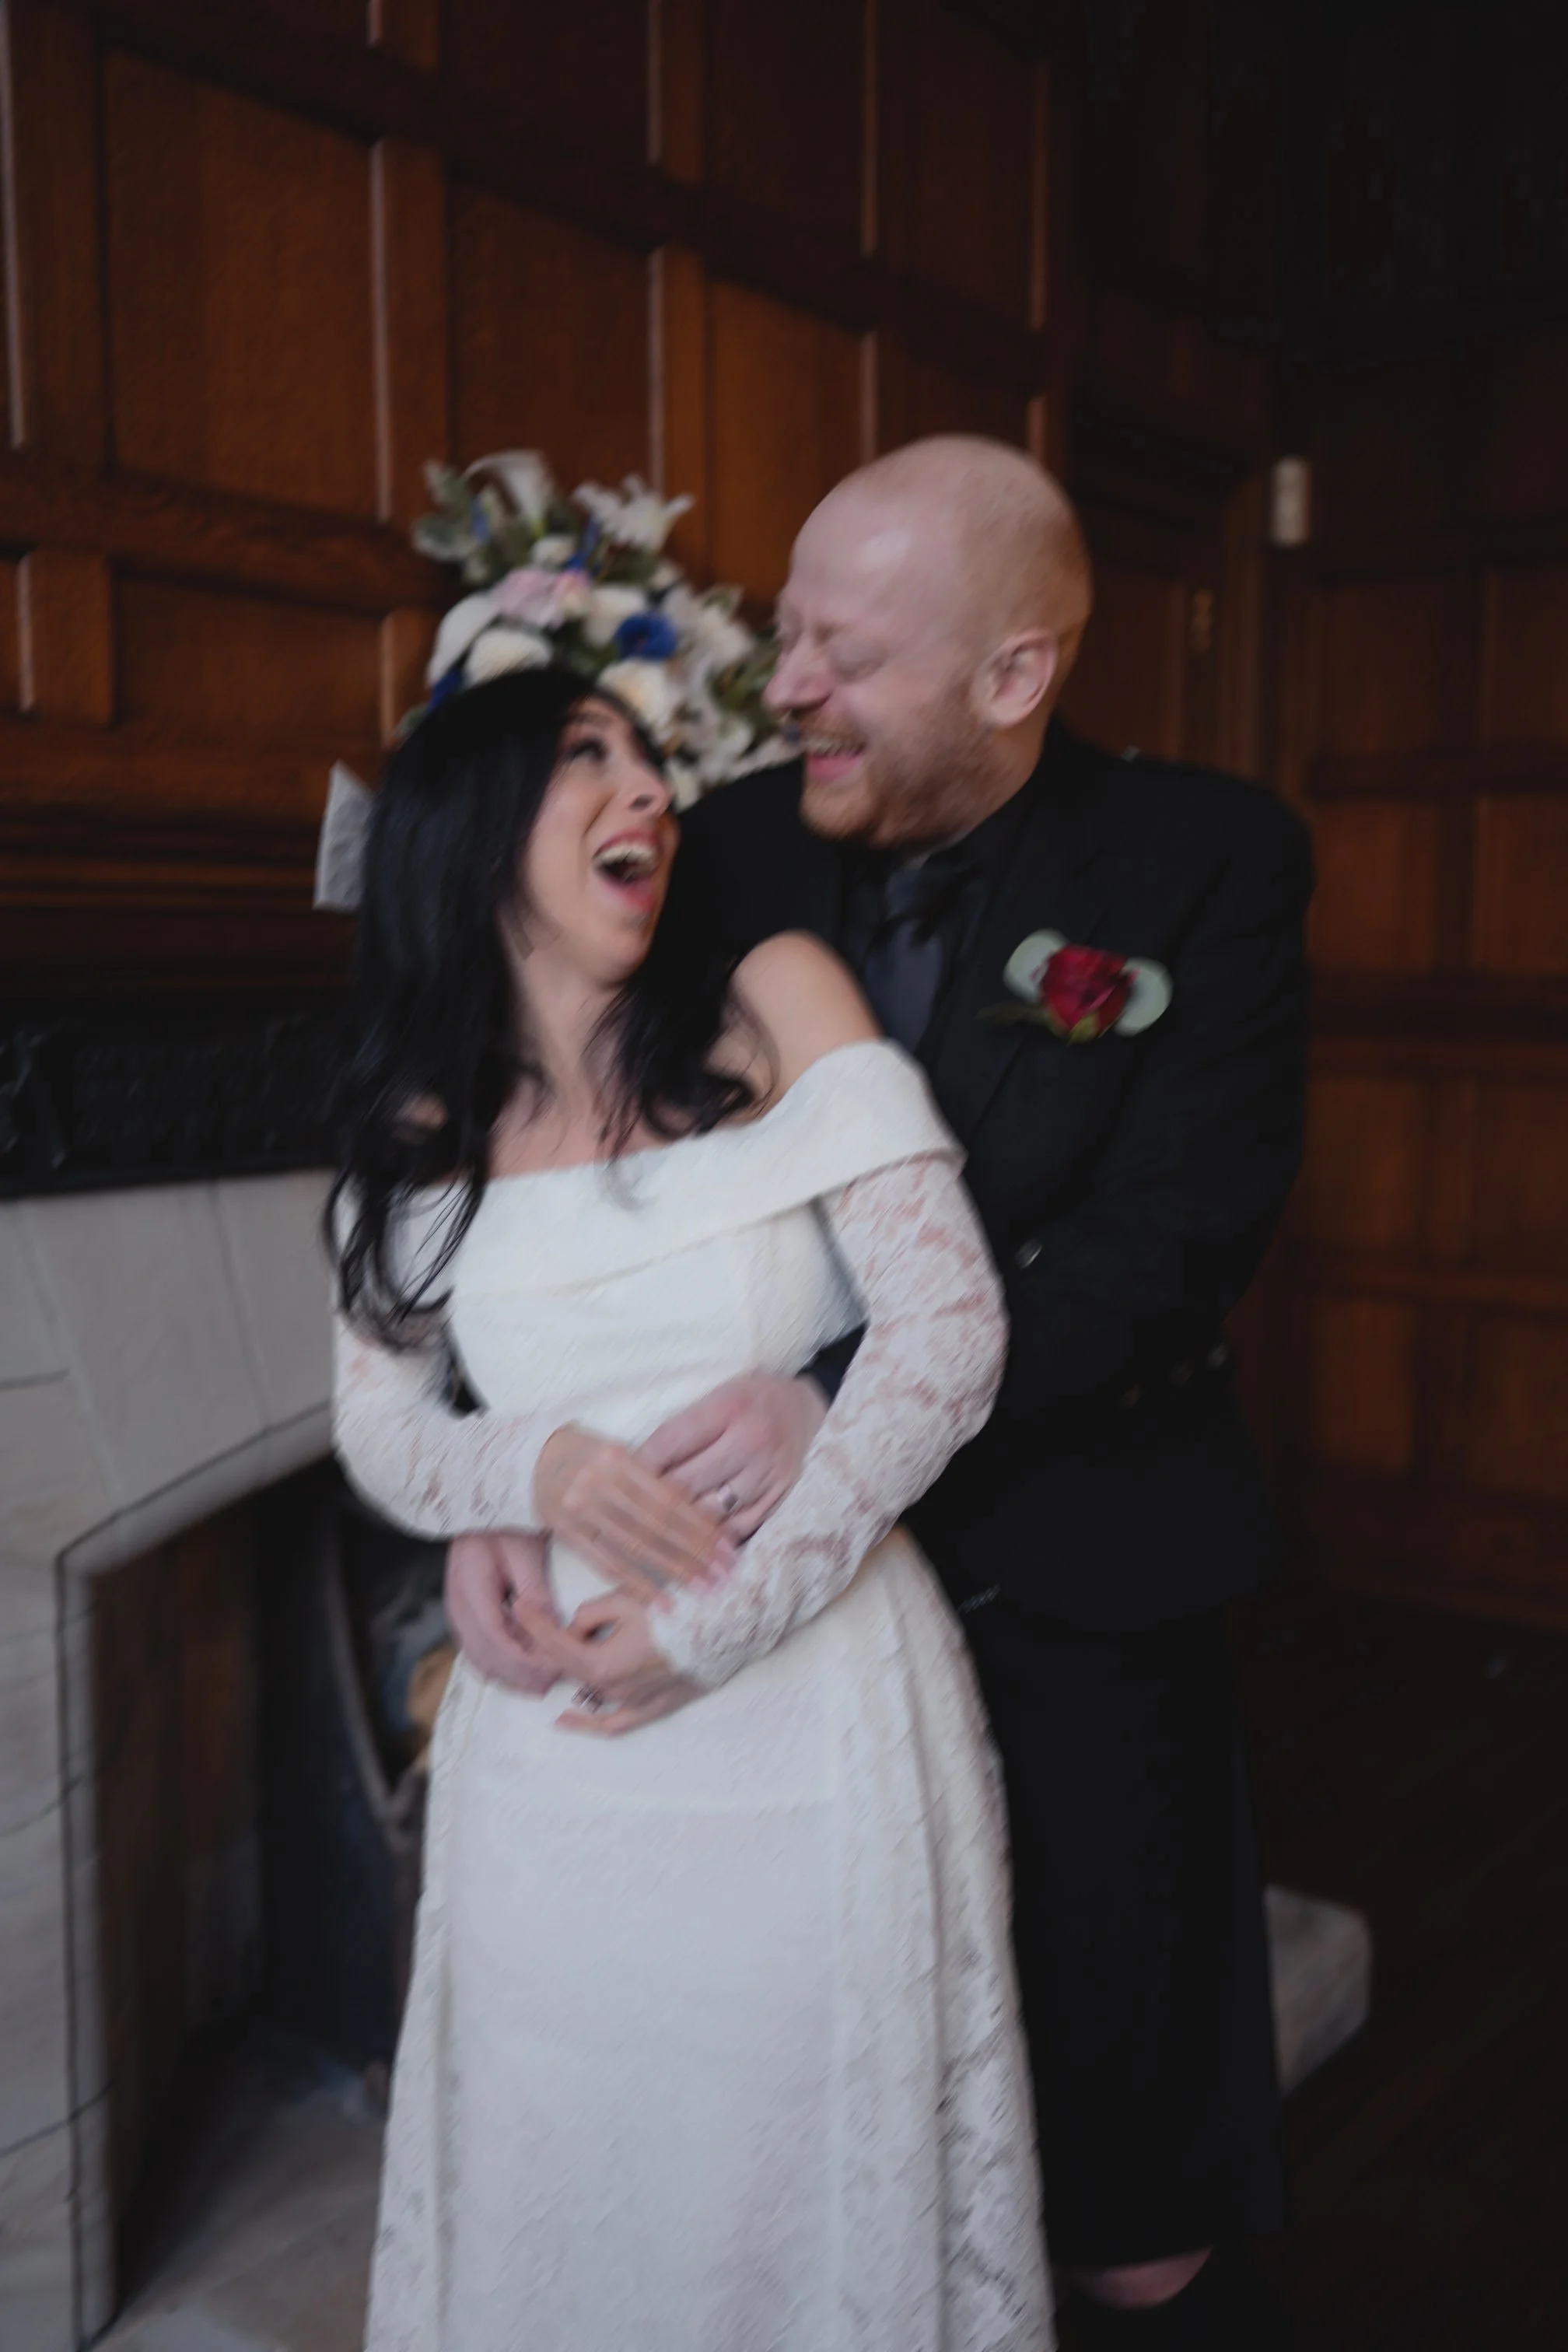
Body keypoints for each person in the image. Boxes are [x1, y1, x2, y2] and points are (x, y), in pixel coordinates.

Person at [453, 436, 1312, 2345]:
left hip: (1078, 1576)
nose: (790, 688)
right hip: (778, 1641)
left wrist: (833, 1393)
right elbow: (564, 1191)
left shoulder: (1206, 862)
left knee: (1118, 2188)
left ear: (1016, 674)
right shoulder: (722, 847)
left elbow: (1169, 1244)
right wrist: (508, 1481)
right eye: (786, 634)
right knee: (813, 2140)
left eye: (846, 652)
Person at [329, 665, 1051, 2352]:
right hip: (552, 1755)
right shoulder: (418, 1117)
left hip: (807, 1715)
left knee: (791, 2181)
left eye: (652, 758)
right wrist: (525, 1474)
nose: (647, 789)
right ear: (469, 835)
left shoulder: (777, 1001)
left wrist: (717, 1620)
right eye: (589, 759)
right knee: (564, 2167)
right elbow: (377, 1426)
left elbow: (949, 1337)